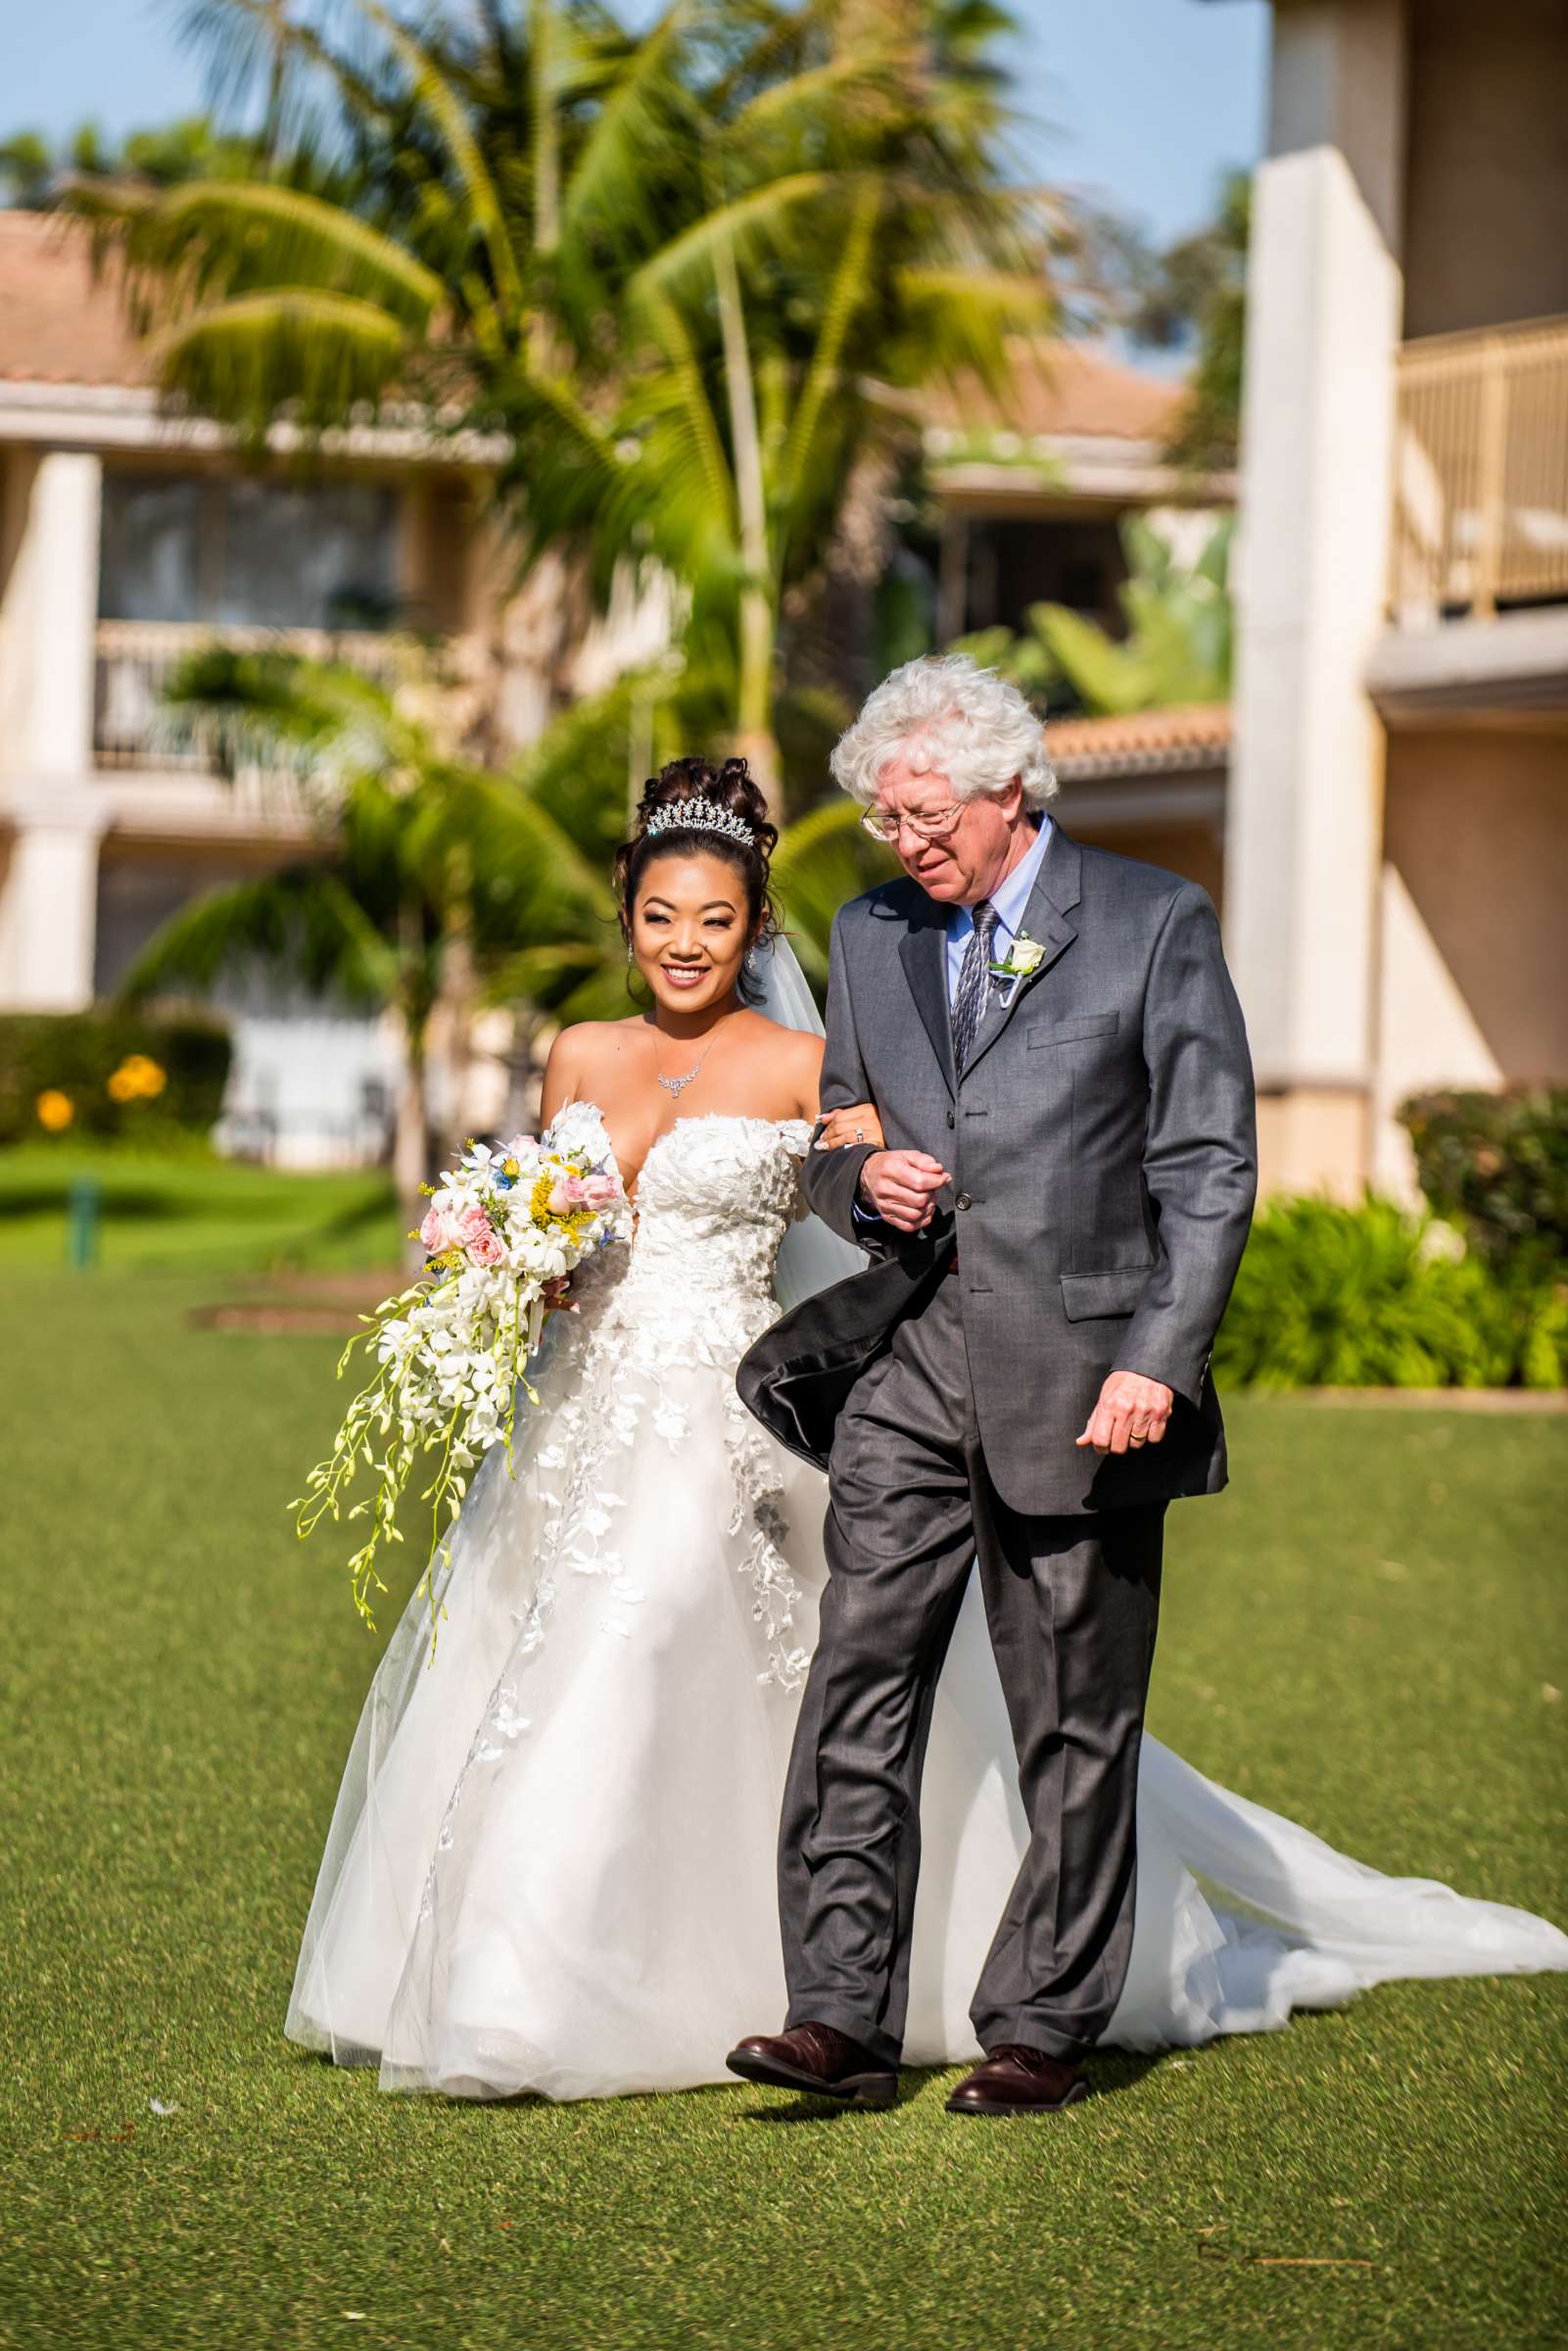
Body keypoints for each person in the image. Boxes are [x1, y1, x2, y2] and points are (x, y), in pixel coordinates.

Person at [286, 732, 1566, 2106]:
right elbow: (627, 1214)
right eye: (658, 915)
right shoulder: (583, 1050)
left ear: (754, 926)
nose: (683, 941)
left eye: (713, 919)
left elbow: (906, 1180)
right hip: (588, 1409)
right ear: (623, 910)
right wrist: (507, 1270)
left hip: (736, 1399)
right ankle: (597, 1990)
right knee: (634, 1677)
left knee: (702, 1642)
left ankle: (905, 1999)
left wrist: (1094, 1319)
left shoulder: (807, 1047)